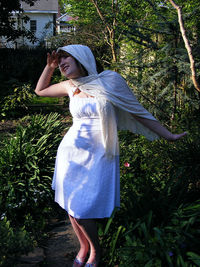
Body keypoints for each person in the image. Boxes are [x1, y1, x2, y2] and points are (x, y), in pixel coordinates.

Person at [35, 44, 187, 267]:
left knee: (83, 208)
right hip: (71, 151)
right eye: (60, 60)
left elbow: (138, 111)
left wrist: (169, 135)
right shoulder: (70, 86)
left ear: (82, 59)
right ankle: (83, 246)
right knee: (71, 204)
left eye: (67, 58)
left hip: (99, 152)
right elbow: (40, 91)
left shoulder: (109, 81)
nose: (62, 63)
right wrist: (48, 68)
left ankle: (96, 250)